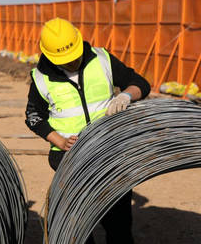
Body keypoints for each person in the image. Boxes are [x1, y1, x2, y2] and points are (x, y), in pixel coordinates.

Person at [25, 17, 150, 244]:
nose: (72, 64)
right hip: (69, 158)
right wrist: (59, 141)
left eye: (74, 58)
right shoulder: (41, 78)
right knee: (79, 226)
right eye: (65, 61)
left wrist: (126, 95)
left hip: (110, 154)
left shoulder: (102, 59)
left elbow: (139, 82)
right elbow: (34, 117)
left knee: (118, 224)